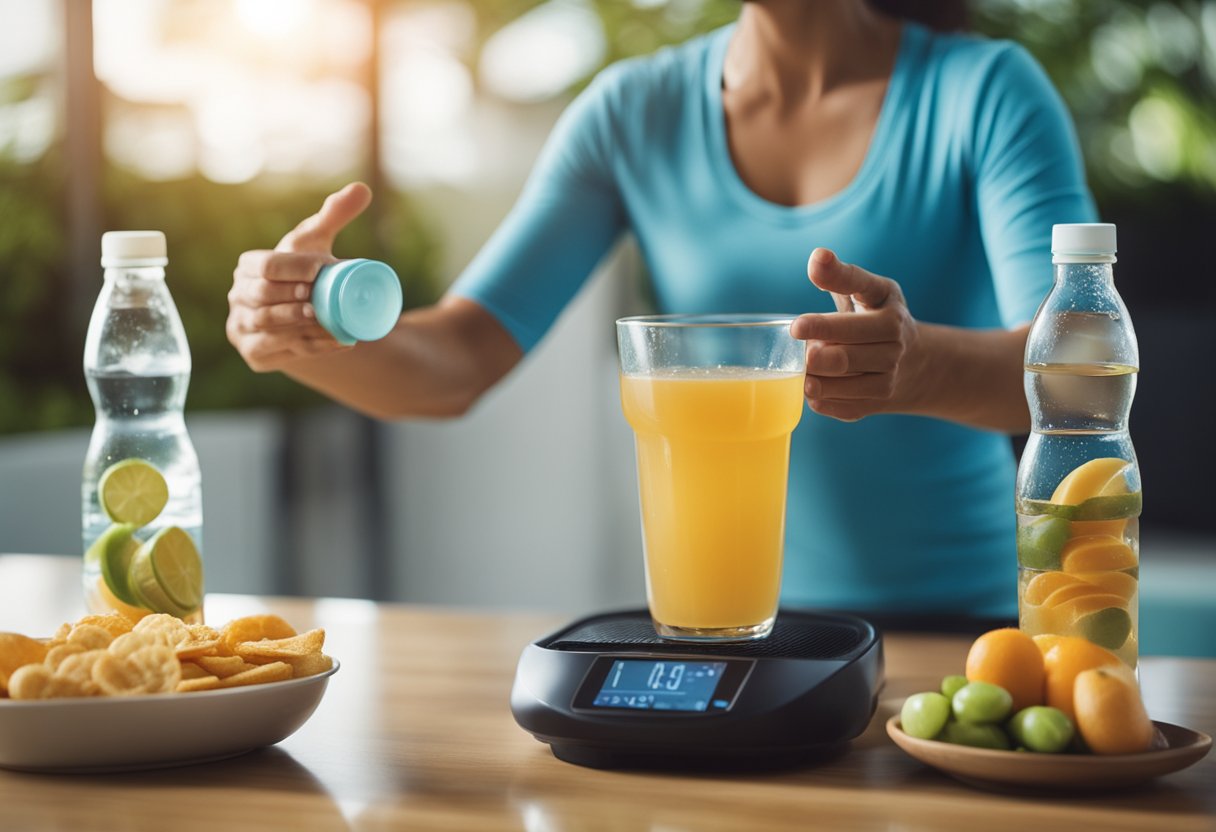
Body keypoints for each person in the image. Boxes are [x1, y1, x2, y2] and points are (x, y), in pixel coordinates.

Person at [227, 0, 1096, 620]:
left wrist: (917, 366)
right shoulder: (631, 112)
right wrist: (314, 332)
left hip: (962, 629)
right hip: (713, 628)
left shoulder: (987, 93)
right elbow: (457, 362)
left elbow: (1081, 381)